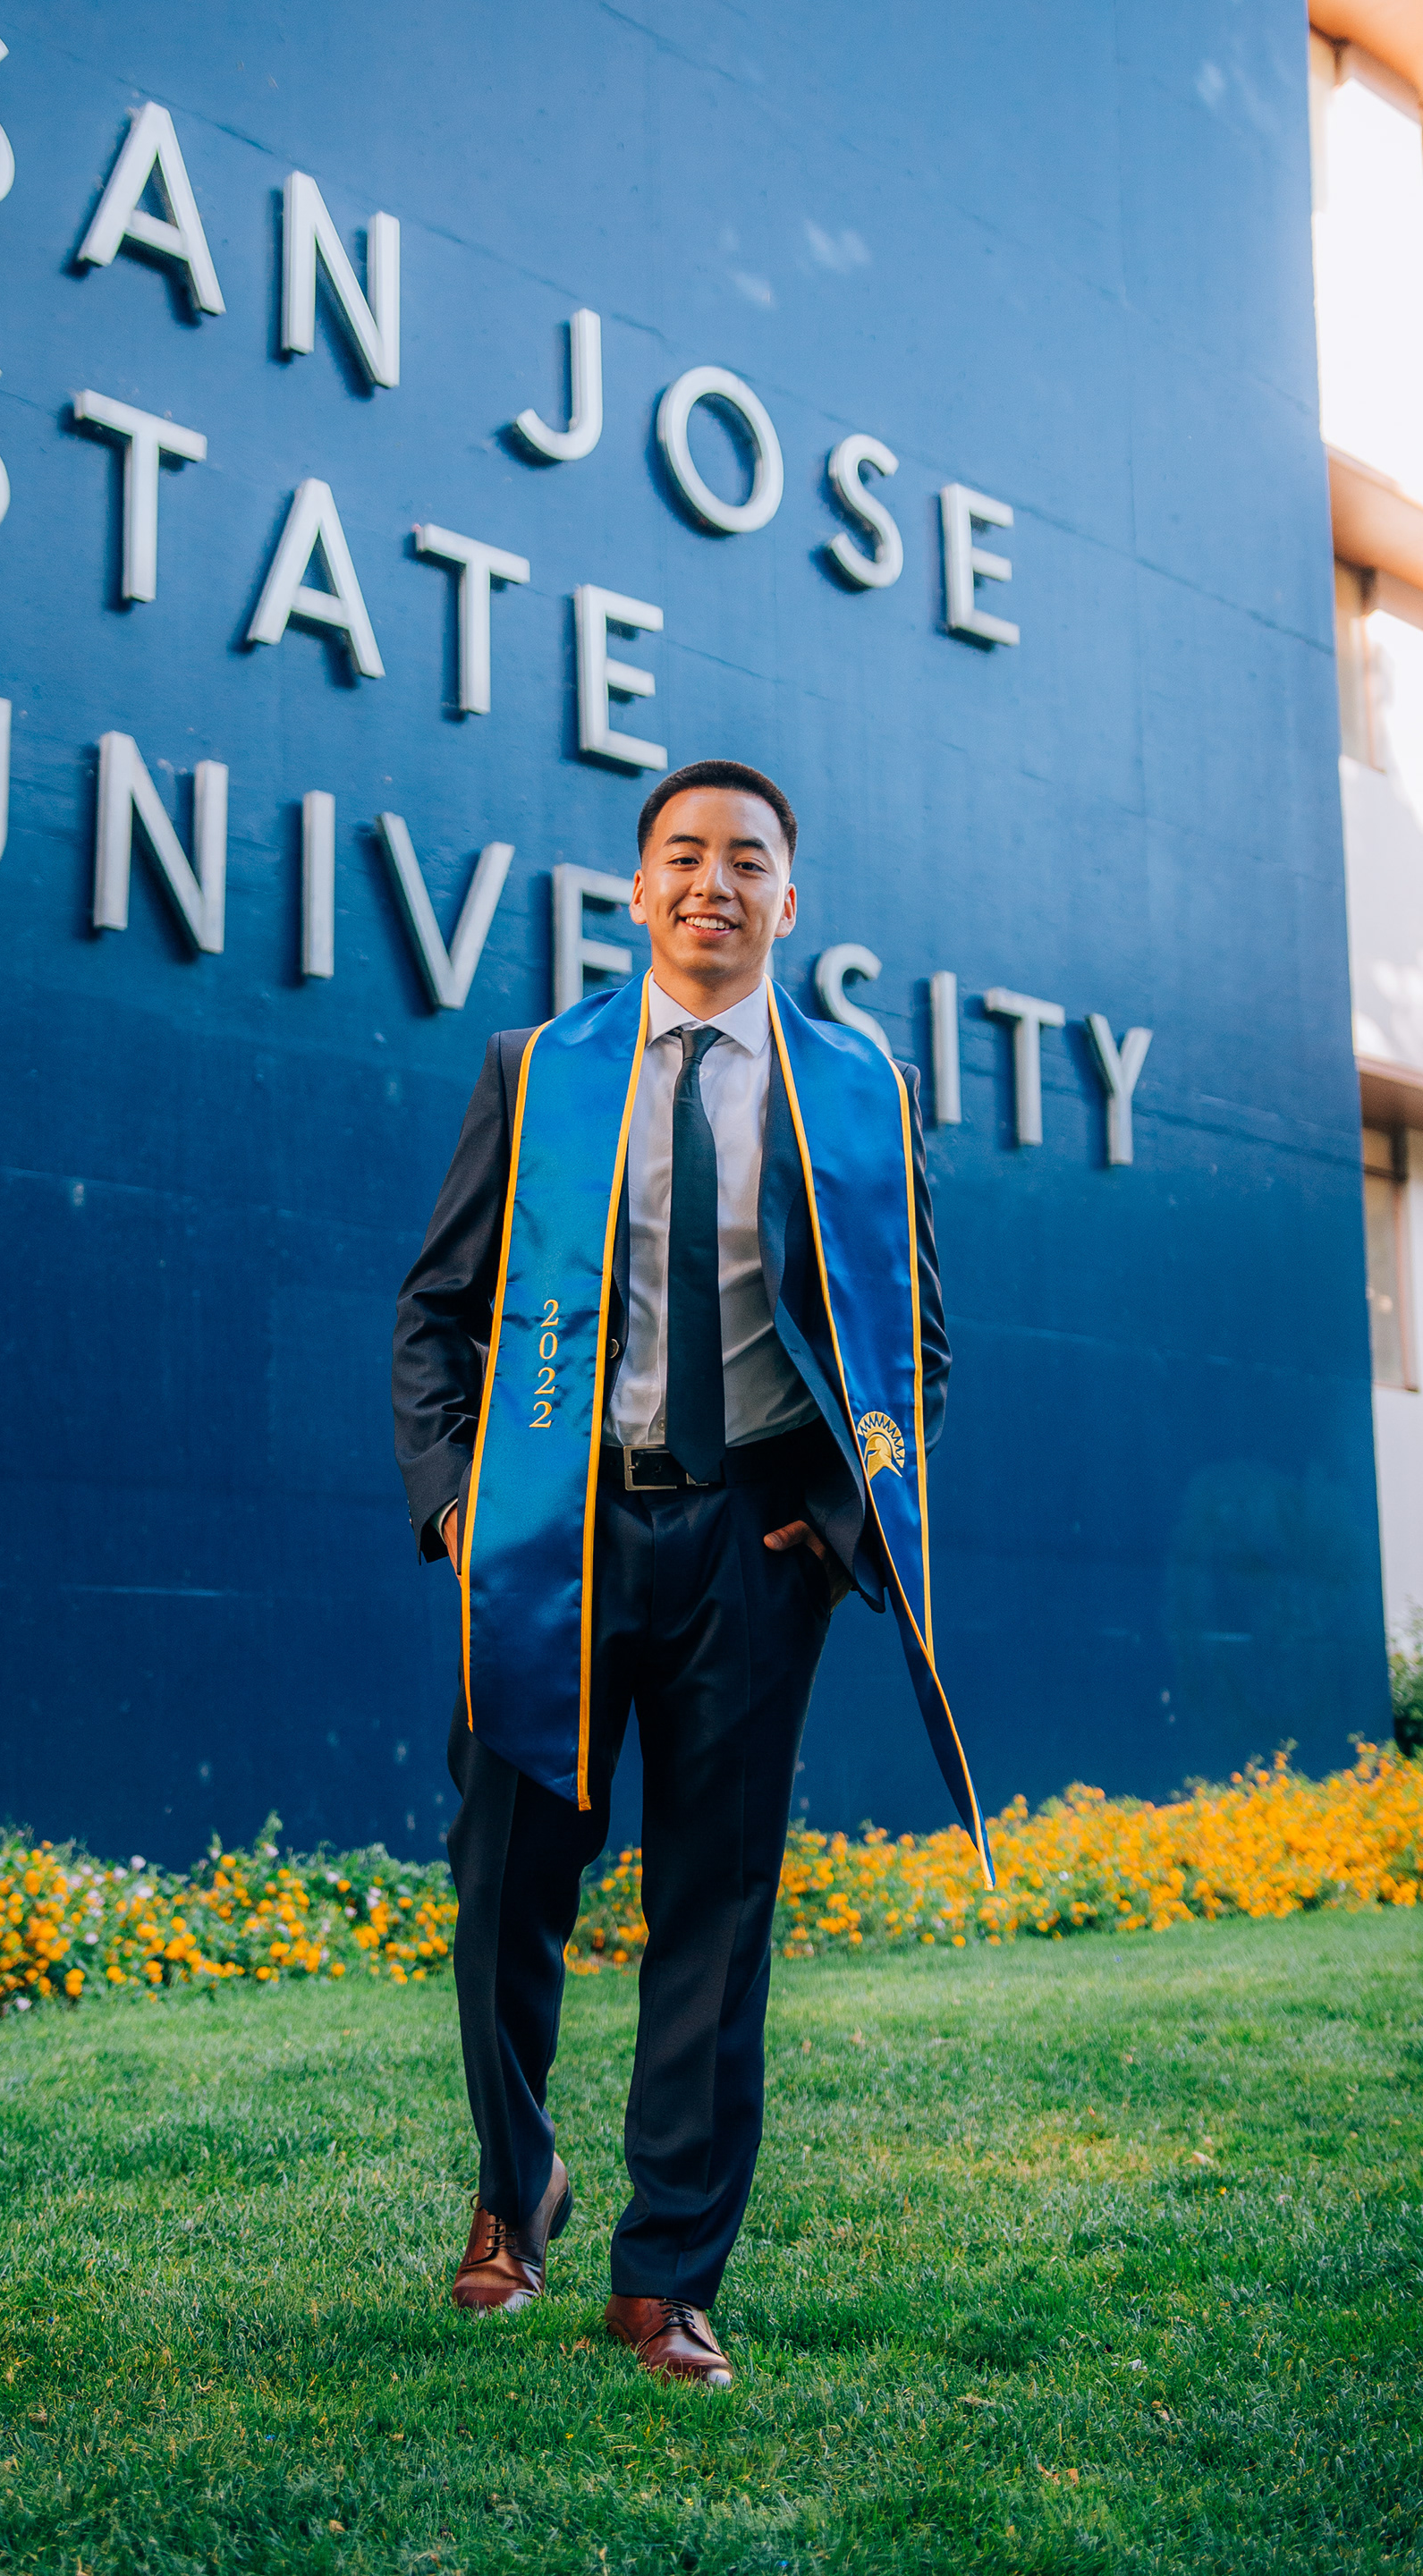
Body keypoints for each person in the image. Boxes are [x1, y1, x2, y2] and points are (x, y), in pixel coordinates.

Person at [392, 758, 990, 2389]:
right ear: (638, 888)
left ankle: (665, 2278)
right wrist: (454, 1504)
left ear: (790, 899)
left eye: (746, 860)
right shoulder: (541, 1069)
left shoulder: (858, 1090)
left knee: (715, 1920)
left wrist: (833, 1520)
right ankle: (514, 2190)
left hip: (749, 1549)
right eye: (682, 855)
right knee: (507, 1885)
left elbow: (914, 1348)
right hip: (552, 1537)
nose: (712, 882)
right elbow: (436, 1311)